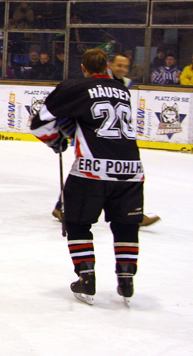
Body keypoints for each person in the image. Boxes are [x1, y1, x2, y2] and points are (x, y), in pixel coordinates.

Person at [31, 49, 145, 306]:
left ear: (83, 67)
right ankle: (126, 279)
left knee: (77, 223)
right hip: (132, 171)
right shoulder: (122, 91)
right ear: (107, 67)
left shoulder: (74, 87)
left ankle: (86, 278)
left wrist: (56, 140)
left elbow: (39, 123)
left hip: (92, 170)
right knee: (125, 225)